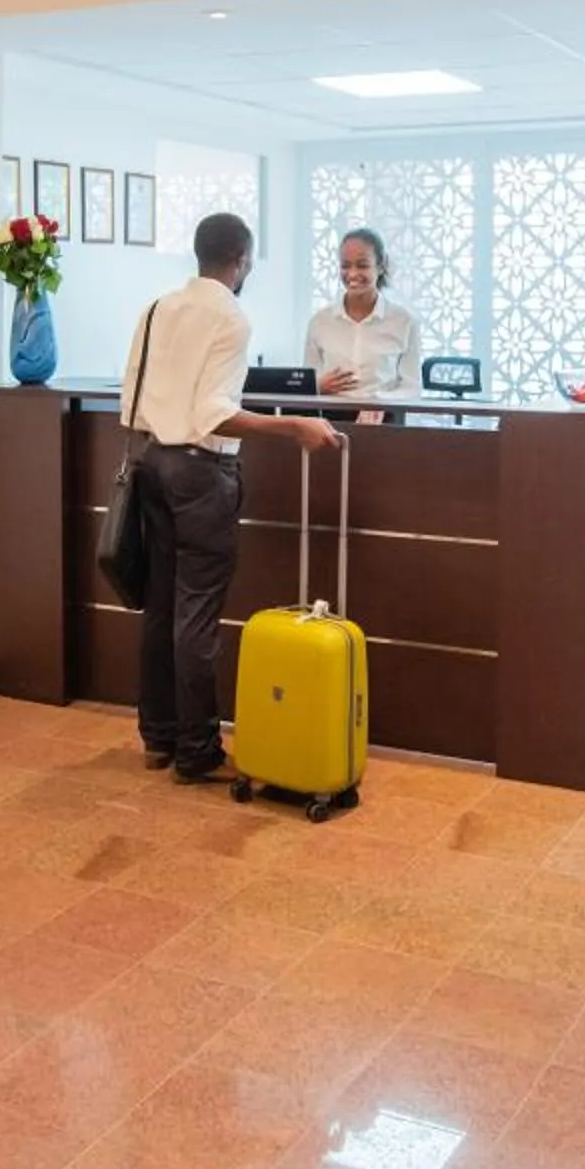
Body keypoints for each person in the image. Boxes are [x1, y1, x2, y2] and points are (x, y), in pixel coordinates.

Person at [122, 212, 342, 781]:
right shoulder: (231, 318)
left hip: (151, 463)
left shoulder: (156, 308)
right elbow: (214, 413)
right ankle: (197, 751)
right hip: (200, 474)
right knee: (195, 614)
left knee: (161, 607)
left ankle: (159, 737)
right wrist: (293, 426)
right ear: (242, 261)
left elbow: (133, 400)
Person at [304, 227, 422, 398]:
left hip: (384, 419)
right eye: (345, 265)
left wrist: (380, 400)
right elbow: (308, 382)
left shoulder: (404, 322)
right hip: (329, 419)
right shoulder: (319, 322)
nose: (352, 274)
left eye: (362, 265)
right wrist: (317, 387)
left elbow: (412, 388)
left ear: (381, 266)